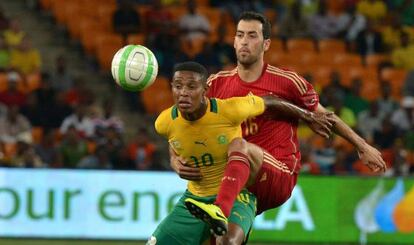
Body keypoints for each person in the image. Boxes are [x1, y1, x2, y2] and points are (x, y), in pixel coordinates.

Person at [171, 11, 387, 244]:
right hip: (236, 180)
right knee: (223, 240)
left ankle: (221, 210)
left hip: (277, 174)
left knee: (240, 146)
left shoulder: (287, 81)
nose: (244, 41)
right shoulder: (216, 84)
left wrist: (362, 145)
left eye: (252, 36)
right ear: (233, 41)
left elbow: (325, 116)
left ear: (266, 44)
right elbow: (181, 126)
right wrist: (175, 160)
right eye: (240, 35)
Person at [149, 61, 333, 243]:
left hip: (237, 195)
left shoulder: (230, 110)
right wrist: (174, 161)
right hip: (195, 198)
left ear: (205, 89)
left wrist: (308, 115)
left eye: (191, 87)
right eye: (178, 87)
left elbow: (269, 101)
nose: (183, 93)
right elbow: (175, 141)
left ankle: (221, 209)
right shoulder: (164, 123)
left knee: (228, 242)